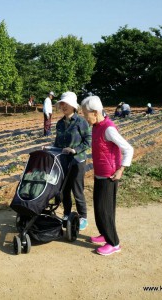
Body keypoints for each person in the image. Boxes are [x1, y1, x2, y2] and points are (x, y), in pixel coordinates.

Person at [81, 96, 134, 256]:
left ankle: (113, 243)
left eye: (85, 114)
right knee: (99, 208)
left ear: (95, 112)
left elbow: (128, 149)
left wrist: (121, 170)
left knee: (106, 210)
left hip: (110, 176)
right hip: (100, 174)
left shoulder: (109, 129)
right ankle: (104, 233)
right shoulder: (96, 126)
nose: (85, 117)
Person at [51, 91, 91, 230]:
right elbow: (57, 142)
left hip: (77, 161)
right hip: (63, 161)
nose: (63, 106)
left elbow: (88, 140)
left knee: (77, 189)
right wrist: (50, 148)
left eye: (66, 103)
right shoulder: (60, 123)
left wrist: (75, 149)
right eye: (62, 103)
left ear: (73, 106)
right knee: (64, 190)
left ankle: (83, 217)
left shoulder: (81, 122)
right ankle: (67, 213)